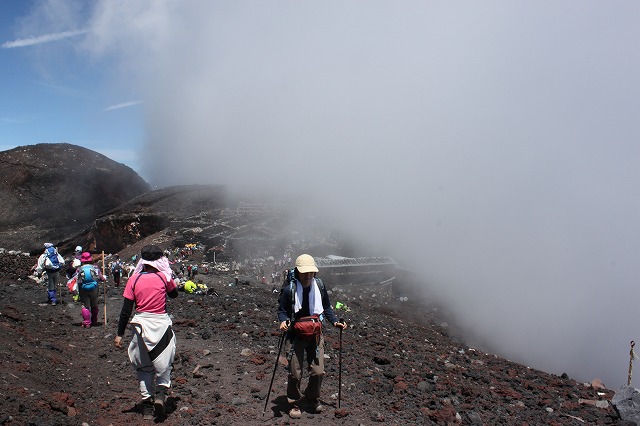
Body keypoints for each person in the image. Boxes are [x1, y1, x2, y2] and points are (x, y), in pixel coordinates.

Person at [277, 254, 347, 419]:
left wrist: (335, 322)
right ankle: (294, 402)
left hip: (316, 334)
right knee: (295, 372)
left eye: (311, 273)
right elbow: (282, 310)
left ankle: (311, 397)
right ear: (298, 272)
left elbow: (326, 306)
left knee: (318, 371)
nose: (308, 276)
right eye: (304, 273)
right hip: (296, 335)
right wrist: (283, 321)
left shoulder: (320, 286)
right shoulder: (290, 290)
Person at [114, 245, 179, 420]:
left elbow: (126, 310)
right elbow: (174, 295)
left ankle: (147, 407)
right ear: (159, 260)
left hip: (140, 325)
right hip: (160, 325)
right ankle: (160, 394)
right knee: (165, 363)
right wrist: (168, 276)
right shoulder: (164, 277)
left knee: (143, 366)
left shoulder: (133, 279)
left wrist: (119, 334)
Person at [77, 252, 105, 328]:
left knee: (85, 306)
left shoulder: (79, 269)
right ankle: (94, 321)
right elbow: (101, 278)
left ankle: (87, 322)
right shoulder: (95, 268)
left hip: (83, 289)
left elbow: (77, 280)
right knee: (94, 305)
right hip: (94, 289)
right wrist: (103, 278)